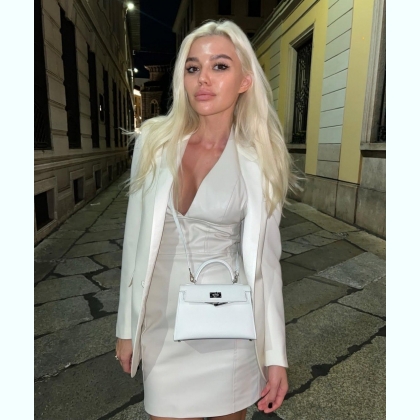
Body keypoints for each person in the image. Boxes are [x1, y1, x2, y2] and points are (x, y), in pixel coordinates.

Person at [115, 20, 299, 420]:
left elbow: (267, 265)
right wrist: (126, 328)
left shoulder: (260, 156)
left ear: (245, 80)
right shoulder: (154, 141)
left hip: (227, 324)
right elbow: (134, 242)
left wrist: (275, 356)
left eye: (220, 66)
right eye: (193, 67)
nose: (203, 78)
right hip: (161, 323)